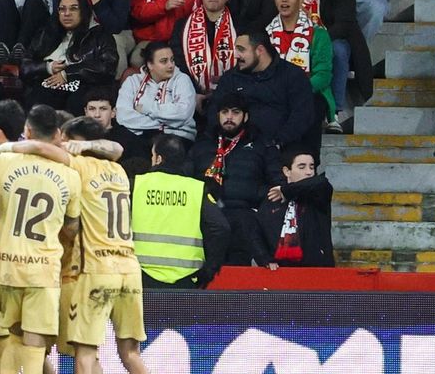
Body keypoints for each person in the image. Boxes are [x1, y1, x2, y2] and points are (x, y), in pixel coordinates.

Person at [58, 115, 169, 374]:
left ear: (76, 140)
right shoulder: (119, 171)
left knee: (85, 354)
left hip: (96, 268)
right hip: (129, 268)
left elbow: (72, 226)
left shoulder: (77, 167)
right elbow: (115, 148)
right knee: (131, 352)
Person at [0, 103, 80, 374]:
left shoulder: (3, 162)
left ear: (25, 130)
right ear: (57, 135)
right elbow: (71, 226)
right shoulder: (70, 175)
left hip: (5, 265)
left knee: (12, 338)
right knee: (35, 350)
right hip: (44, 270)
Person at [188, 92, 282, 265]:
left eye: (235, 112)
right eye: (225, 112)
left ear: (245, 116)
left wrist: (255, 196)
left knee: (236, 278)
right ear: (218, 115)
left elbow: (276, 183)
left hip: (244, 219)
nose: (229, 117)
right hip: (206, 218)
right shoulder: (202, 144)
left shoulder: (261, 144)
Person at [132, 133, 228, 289]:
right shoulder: (197, 189)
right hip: (186, 279)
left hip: (141, 276)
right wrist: (210, 269)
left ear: (158, 159)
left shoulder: (136, 185)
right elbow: (221, 228)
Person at [290, 0, 363, 129]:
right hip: (294, 34)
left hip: (329, 35)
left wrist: (320, 39)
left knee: (339, 51)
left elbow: (345, 20)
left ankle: (334, 112)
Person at [211, 29, 316, 151]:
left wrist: (278, 142)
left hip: (281, 148)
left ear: (260, 50)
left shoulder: (292, 75)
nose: (236, 55)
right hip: (236, 148)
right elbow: (214, 110)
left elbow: (302, 116)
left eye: (241, 49)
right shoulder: (230, 78)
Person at [20, 0, 117, 112]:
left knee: (75, 103)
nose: (67, 14)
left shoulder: (100, 35)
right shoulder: (47, 33)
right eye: (62, 9)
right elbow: (25, 66)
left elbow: (107, 66)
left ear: (84, 11)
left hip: (81, 86)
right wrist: (47, 67)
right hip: (46, 84)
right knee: (38, 103)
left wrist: (68, 73)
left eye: (73, 8)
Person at [268, 0, 336, 124]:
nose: (284, 0)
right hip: (272, 95)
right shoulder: (266, 35)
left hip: (309, 93)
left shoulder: (319, 34)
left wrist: (295, 91)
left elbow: (323, 75)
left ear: (300, 0)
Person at [258, 145, 334, 269]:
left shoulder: (319, 193)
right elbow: (257, 231)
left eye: (312, 167)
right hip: (280, 271)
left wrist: (286, 190)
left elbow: (321, 182)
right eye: (302, 167)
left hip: (317, 269)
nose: (309, 172)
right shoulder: (273, 197)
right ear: (287, 171)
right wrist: (264, 258)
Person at [116, 41, 197, 144]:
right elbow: (123, 117)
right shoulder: (132, 81)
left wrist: (146, 108)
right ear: (150, 64)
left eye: (172, 60)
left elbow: (183, 113)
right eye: (164, 61)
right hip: (141, 134)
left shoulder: (182, 79)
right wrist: (164, 123)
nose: (171, 65)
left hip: (177, 136)